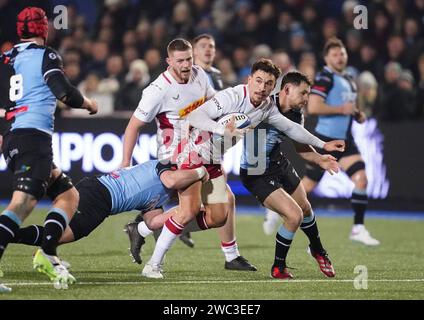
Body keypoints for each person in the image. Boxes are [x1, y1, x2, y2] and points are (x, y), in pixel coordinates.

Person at [141, 58, 344, 278]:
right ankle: (153, 264)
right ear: (249, 80)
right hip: (193, 154)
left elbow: (291, 128)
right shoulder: (231, 96)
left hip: (214, 162)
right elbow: (195, 115)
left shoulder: (267, 108)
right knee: (188, 211)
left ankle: (154, 227)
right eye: (258, 81)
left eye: (268, 83)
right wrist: (219, 128)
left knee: (218, 217)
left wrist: (323, 145)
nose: (262, 87)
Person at [0, 7, 98, 293]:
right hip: (33, 138)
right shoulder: (47, 55)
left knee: (68, 195)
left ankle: (47, 251)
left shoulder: (5, 59)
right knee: (22, 204)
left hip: (14, 139)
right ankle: (44, 253)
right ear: (44, 29)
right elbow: (63, 91)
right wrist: (89, 104)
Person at [240, 71, 338, 279]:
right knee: (294, 216)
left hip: (278, 164)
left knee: (306, 208)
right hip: (256, 172)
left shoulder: (296, 115)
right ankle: (278, 268)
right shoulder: (262, 104)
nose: (306, 99)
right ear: (286, 89)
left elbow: (301, 148)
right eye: (303, 93)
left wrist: (320, 158)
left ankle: (318, 250)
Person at [11, 161, 209, 260]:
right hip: (100, 193)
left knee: (61, 234)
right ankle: (12, 236)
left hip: (102, 199)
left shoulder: (161, 197)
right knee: (62, 234)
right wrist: (200, 172)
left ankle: (10, 235)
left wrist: (184, 209)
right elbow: (171, 180)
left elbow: (153, 223)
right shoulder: (168, 164)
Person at [301, 37, 379, 246]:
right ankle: (277, 210)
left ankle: (358, 228)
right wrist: (340, 110)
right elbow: (314, 108)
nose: (339, 57)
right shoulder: (324, 78)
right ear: (326, 58)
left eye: (342, 53)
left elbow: (347, 108)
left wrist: (356, 114)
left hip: (346, 140)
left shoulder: (349, 78)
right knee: (306, 186)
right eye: (334, 54)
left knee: (361, 178)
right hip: (325, 140)